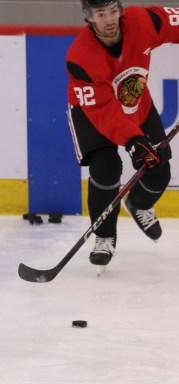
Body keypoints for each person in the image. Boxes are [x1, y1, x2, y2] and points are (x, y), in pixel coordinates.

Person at [66, 0, 179, 273]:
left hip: (135, 103)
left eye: (113, 11)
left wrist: (138, 141)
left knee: (158, 168)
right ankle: (104, 235)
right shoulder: (80, 57)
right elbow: (103, 110)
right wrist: (133, 140)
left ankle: (138, 203)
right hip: (92, 112)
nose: (109, 19)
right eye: (100, 14)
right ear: (88, 17)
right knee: (107, 167)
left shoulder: (143, 21)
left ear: (120, 9)